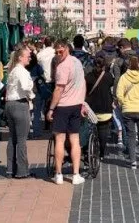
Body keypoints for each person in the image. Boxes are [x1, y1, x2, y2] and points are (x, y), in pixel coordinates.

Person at [48, 39, 86, 185]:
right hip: (76, 104)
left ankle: (58, 174)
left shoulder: (62, 67)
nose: (58, 54)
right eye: (56, 52)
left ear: (67, 49)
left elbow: (59, 89)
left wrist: (51, 108)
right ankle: (76, 174)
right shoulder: (77, 62)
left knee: (60, 139)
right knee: (75, 140)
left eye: (60, 51)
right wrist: (82, 101)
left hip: (63, 106)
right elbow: (82, 83)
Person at [116, 55, 139, 170]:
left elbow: (119, 94)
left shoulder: (123, 77)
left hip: (128, 109)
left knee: (131, 136)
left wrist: (124, 103)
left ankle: (133, 161)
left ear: (128, 65)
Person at [4, 45, 34, 178]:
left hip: (10, 104)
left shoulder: (12, 71)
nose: (30, 58)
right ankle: (22, 171)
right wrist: (31, 95)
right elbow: (26, 86)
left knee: (13, 138)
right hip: (20, 104)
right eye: (28, 56)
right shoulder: (22, 71)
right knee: (22, 139)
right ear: (21, 57)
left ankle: (10, 169)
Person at [84, 55, 115, 160]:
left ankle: (88, 149)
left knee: (90, 129)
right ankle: (101, 152)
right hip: (105, 107)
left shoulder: (88, 77)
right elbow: (111, 84)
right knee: (103, 131)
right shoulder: (108, 76)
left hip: (91, 108)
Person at [26, 49, 47, 138]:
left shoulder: (24, 68)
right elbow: (43, 77)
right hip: (37, 90)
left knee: (27, 113)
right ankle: (36, 132)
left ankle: (27, 132)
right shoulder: (38, 67)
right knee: (37, 112)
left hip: (27, 92)